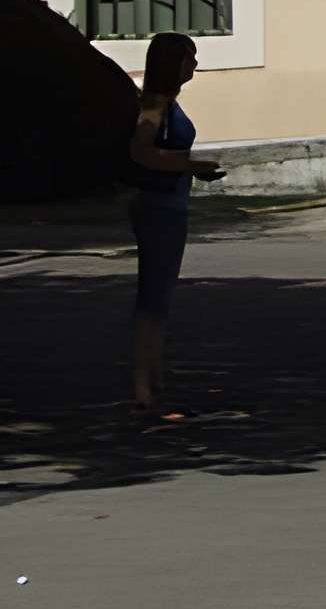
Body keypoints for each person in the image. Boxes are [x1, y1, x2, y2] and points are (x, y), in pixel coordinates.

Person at [125, 31, 223, 415]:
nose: (195, 65)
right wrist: (188, 165)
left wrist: (190, 170)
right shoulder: (155, 107)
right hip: (159, 206)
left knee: (161, 294)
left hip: (172, 202)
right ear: (172, 63)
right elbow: (141, 151)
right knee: (154, 293)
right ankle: (142, 382)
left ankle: (153, 372)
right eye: (189, 58)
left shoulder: (166, 105)